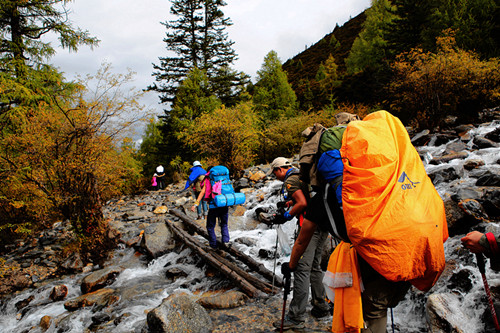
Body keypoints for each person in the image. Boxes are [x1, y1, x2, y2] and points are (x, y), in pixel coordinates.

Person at [268, 157, 331, 330]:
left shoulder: (290, 179)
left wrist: (286, 215)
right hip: (324, 224)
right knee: (315, 266)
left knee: (302, 268)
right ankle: (321, 305)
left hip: (309, 226)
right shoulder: (301, 174)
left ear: (279, 169)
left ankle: (296, 317)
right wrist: (289, 203)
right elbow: (306, 198)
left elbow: (302, 203)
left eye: (274, 173)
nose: (275, 177)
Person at [190, 167, 229, 249]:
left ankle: (213, 245)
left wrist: (196, 204)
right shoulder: (224, 178)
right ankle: (226, 242)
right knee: (224, 224)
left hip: (214, 206)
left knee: (210, 226)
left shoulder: (208, 179)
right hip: (224, 204)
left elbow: (203, 192)